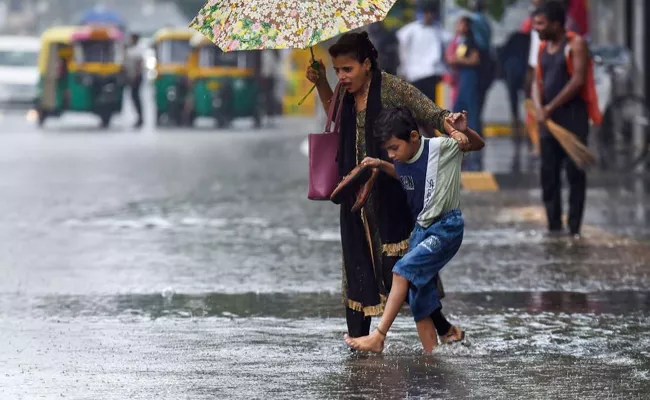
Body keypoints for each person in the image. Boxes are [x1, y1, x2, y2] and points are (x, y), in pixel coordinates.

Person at [305, 32, 469, 341]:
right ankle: (359, 342)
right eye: (337, 70)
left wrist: (451, 122)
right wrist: (321, 83)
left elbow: (428, 111)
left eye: (347, 69)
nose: (341, 76)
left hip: (392, 192)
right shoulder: (343, 91)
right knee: (357, 265)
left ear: (367, 64)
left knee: (402, 266)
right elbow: (335, 119)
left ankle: (442, 329)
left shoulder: (392, 87)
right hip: (354, 194)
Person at [344, 107, 484, 353]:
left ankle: (378, 336)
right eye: (387, 150)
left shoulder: (441, 148)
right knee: (419, 295)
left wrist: (464, 132)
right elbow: (402, 174)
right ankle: (432, 356)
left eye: (394, 148)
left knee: (402, 271)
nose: (392, 154)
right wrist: (380, 164)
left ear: (413, 136)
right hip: (421, 230)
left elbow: (477, 145)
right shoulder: (401, 159)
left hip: (445, 228)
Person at [532, 1, 599, 239]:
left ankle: (574, 229)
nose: (536, 28)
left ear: (556, 24)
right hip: (549, 124)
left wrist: (550, 107)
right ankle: (553, 227)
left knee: (574, 175)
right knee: (548, 175)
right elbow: (536, 81)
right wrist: (540, 107)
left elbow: (577, 80)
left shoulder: (575, 44)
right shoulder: (543, 48)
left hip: (572, 120)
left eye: (540, 24)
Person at [396, 0, 450, 104]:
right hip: (415, 74)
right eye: (426, 13)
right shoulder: (410, 30)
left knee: (430, 105)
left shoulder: (438, 30)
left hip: (432, 73)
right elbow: (402, 48)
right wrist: (403, 69)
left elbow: (450, 42)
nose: (429, 16)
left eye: (431, 13)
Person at [446, 16, 481, 171]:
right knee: (458, 108)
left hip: (469, 79)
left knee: (470, 109)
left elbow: (474, 60)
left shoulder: (470, 42)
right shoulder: (457, 41)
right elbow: (450, 58)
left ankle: (473, 137)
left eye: (462, 24)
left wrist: (458, 60)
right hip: (461, 80)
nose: (459, 26)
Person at [125, 33, 144, 128]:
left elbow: (138, 66)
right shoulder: (130, 49)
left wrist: (135, 77)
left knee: (136, 98)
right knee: (134, 98)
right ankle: (139, 118)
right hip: (132, 77)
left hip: (136, 78)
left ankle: (140, 118)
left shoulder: (138, 50)